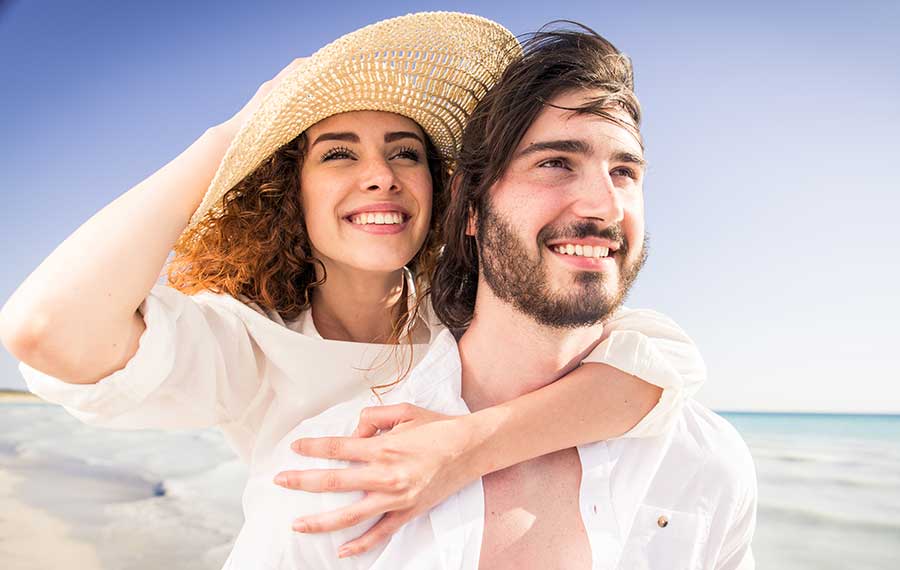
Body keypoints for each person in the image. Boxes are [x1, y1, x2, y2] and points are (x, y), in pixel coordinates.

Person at [0, 13, 707, 568]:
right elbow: (46, 330)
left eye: (406, 152)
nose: (381, 175)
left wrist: (464, 446)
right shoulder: (247, 343)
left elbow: (659, 365)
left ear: (445, 190)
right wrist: (235, 134)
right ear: (289, 194)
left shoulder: (466, 312)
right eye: (338, 153)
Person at [265, 24, 758, 569]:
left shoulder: (706, 463)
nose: (605, 205)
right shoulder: (333, 469)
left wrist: (471, 445)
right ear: (470, 206)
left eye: (624, 171)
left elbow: (668, 357)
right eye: (555, 163)